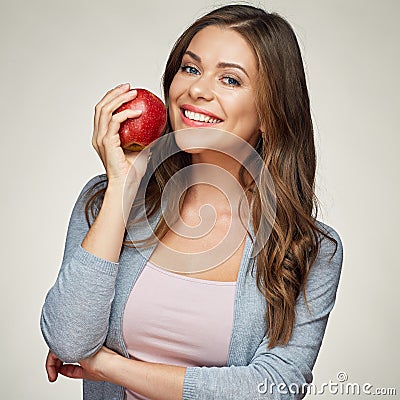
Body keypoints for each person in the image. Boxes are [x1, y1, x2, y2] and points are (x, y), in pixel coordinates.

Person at [40, 4, 343, 400]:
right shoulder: (105, 201)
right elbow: (69, 339)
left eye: (230, 79)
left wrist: (111, 366)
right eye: (191, 68)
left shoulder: (308, 248)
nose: (198, 90)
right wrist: (122, 186)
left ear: (270, 113)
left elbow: (274, 388)